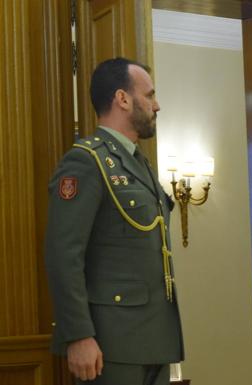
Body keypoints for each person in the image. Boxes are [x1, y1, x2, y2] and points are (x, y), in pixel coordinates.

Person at [45, 57, 183, 385]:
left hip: (155, 340)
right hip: (111, 345)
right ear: (122, 99)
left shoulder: (139, 164)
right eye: (149, 95)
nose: (156, 105)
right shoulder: (86, 161)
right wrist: (78, 335)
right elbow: (63, 254)